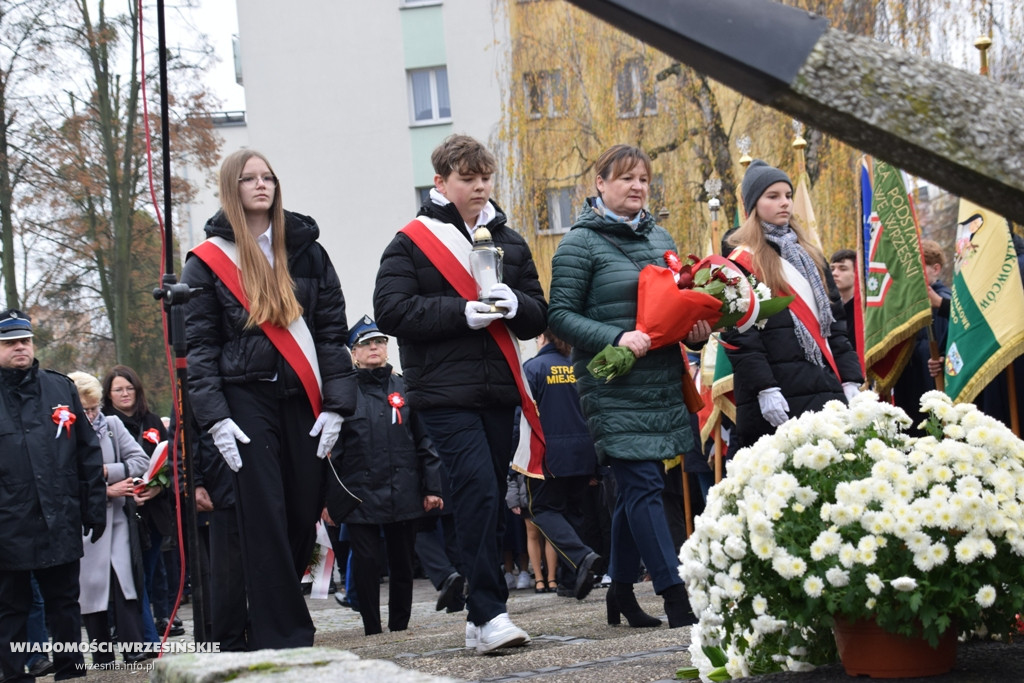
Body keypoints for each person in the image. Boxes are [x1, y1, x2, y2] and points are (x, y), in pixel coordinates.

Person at [373, 134, 547, 653]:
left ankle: (479, 615)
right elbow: (392, 310)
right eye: (467, 178)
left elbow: (540, 313)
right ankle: (492, 613)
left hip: (498, 390)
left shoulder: (509, 240)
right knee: (477, 491)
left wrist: (515, 303)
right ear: (442, 183)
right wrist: (459, 312)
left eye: (485, 177)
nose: (478, 186)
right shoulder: (410, 241)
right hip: (444, 392)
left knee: (488, 503)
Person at [181, 148, 357, 649]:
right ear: (231, 188)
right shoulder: (207, 262)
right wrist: (214, 419)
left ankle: (269, 620)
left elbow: (330, 334)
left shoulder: (307, 251)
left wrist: (337, 404)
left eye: (268, 178)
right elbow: (201, 350)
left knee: (304, 509)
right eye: (249, 179)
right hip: (245, 400)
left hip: (302, 396)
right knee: (264, 514)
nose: (262, 185)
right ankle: (286, 632)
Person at [547, 144, 710, 629]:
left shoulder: (660, 236)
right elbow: (560, 316)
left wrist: (696, 327)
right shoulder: (579, 243)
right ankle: (674, 594)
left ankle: (619, 591)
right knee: (641, 482)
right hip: (613, 381)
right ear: (600, 184)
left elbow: (676, 300)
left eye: (643, 178)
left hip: (659, 378)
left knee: (639, 488)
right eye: (625, 178)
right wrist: (616, 337)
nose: (637, 186)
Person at [723, 160, 863, 451]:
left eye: (787, 195)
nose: (784, 203)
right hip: (777, 392)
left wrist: (850, 379)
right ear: (753, 205)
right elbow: (741, 337)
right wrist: (765, 388)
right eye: (772, 197)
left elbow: (835, 326)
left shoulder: (811, 257)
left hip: (823, 384)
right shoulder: (740, 262)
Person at [0, 310, 106, 682]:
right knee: (10, 610)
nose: (20, 348)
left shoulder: (60, 389)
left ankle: (71, 672)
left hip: (58, 517)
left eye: (24, 341)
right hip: (8, 525)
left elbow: (87, 452)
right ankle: (13, 676)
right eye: (10, 343)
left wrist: (95, 508)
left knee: (64, 605)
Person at [327, 315, 443, 636]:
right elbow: (331, 451)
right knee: (366, 565)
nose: (374, 348)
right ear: (354, 352)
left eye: (379, 342)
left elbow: (425, 441)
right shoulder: (343, 393)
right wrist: (328, 500)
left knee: (403, 562)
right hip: (359, 493)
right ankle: (372, 628)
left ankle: (399, 626)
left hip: (403, 488)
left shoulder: (405, 387)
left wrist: (432, 487)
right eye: (366, 344)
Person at [69, 372, 150, 666]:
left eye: (95, 408)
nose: (91, 415)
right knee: (91, 589)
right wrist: (106, 489)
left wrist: (105, 472)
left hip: (117, 521)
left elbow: (141, 460)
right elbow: (65, 481)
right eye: (85, 410)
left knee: (124, 584)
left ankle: (133, 647)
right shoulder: (64, 433)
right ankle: (102, 655)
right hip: (85, 525)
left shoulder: (113, 425)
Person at [521, 330, 605, 601]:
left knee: (542, 510)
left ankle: (581, 558)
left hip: (548, 456)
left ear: (542, 338)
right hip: (583, 453)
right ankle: (571, 582)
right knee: (574, 514)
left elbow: (521, 418)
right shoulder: (580, 366)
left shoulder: (533, 368)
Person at [101, 365, 178, 640]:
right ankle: (144, 636)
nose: (125, 394)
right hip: (120, 511)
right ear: (108, 394)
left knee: (149, 571)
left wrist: (157, 490)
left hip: (152, 511)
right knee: (132, 578)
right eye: (118, 389)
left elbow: (171, 463)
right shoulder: (103, 422)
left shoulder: (153, 421)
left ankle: (152, 629)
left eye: (129, 388)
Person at [892, 239, 951, 433]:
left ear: (935, 269)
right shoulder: (905, 302)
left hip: (930, 382)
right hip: (909, 382)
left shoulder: (945, 300)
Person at [829, 248, 859, 353]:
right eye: (832, 269)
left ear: (856, 273)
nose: (835, 273)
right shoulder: (827, 308)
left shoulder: (865, 310)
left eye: (843, 268)